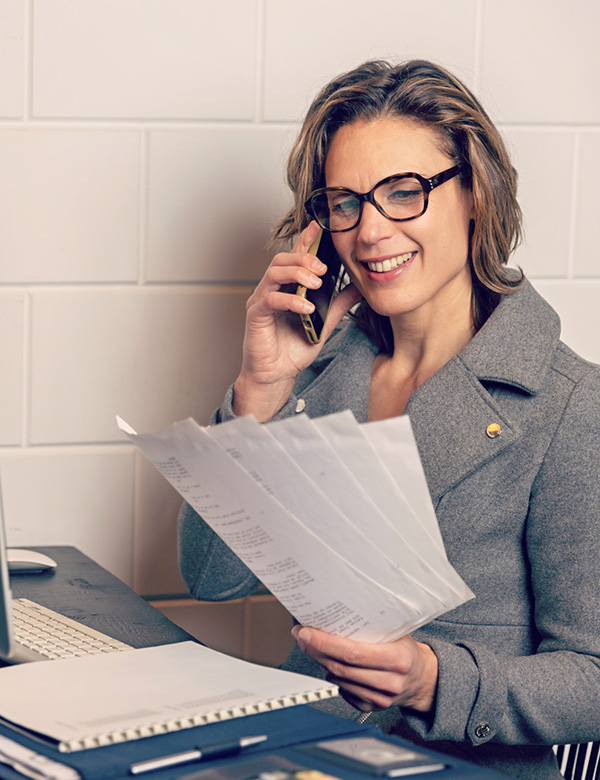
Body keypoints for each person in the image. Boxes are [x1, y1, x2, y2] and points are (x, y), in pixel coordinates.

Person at [178, 59, 600, 779]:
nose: (370, 232)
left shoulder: (569, 405)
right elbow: (209, 577)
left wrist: (435, 680)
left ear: (475, 192)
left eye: (403, 192)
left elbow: (592, 676)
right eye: (345, 202)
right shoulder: (322, 369)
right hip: (303, 749)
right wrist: (258, 389)